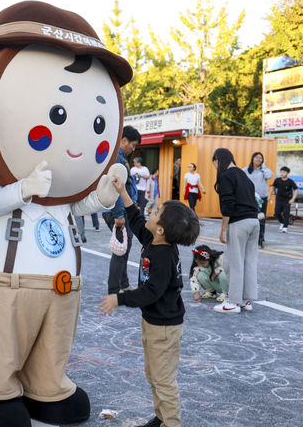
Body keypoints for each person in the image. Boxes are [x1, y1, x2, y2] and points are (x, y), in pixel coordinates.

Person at [98, 177, 200, 427]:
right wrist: (123, 193)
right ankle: (161, 417)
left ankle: (171, 423)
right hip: (154, 321)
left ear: (161, 229)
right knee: (154, 374)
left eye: (156, 212)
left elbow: (150, 292)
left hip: (164, 327)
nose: (151, 212)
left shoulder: (164, 255)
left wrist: (118, 298)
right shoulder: (154, 240)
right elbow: (135, 220)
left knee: (163, 379)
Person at [212, 148, 259, 314]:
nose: (216, 168)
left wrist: (223, 229)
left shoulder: (226, 176)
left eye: (215, 164)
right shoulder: (243, 175)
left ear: (218, 160)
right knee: (248, 261)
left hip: (239, 222)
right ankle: (245, 300)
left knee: (234, 262)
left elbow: (228, 205)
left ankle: (232, 302)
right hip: (254, 221)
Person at [102, 125, 141, 294]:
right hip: (118, 210)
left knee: (124, 246)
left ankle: (123, 284)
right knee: (120, 250)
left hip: (120, 209)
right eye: (132, 145)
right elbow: (115, 187)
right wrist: (119, 214)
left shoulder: (118, 156)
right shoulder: (117, 158)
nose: (133, 149)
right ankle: (114, 289)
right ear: (123, 139)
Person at [242, 152, 274, 248]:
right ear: (252, 159)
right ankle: (249, 237)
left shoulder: (264, 170)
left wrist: (264, 167)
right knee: (249, 218)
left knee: (261, 218)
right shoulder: (246, 170)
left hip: (261, 198)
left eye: (260, 158)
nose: (258, 159)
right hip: (250, 197)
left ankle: (260, 237)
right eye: (256, 157)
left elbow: (270, 175)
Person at [268, 167, 298, 233]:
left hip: (287, 200)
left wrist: (293, 199)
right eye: (281, 172)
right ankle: (282, 222)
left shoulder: (290, 181)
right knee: (277, 212)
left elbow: (296, 189)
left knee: (286, 213)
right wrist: (269, 195)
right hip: (279, 199)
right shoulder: (277, 180)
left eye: (284, 172)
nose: (282, 173)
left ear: (287, 173)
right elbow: (273, 187)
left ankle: (285, 227)